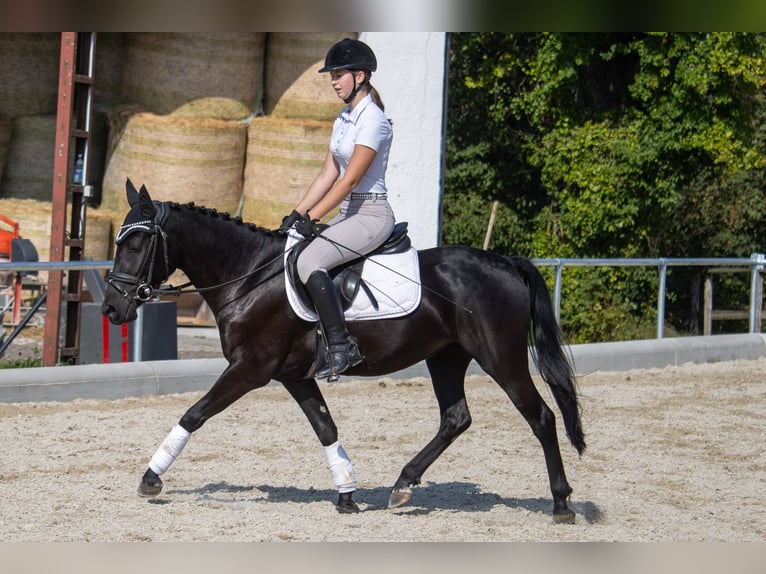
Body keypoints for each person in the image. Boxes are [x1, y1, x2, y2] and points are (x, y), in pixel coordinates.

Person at [278, 37, 396, 380]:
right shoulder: (344, 118)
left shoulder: (372, 120)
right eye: (331, 75)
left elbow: (349, 181)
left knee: (310, 260)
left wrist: (314, 218)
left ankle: (343, 347)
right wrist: (297, 214)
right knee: (292, 251)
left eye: (339, 74)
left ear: (359, 76)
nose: (333, 81)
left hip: (371, 214)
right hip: (350, 213)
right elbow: (327, 174)